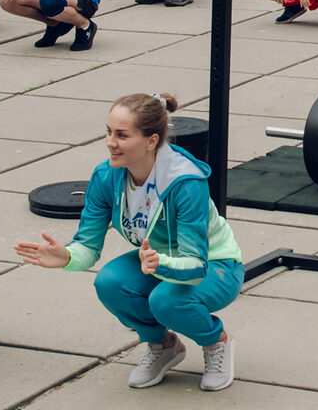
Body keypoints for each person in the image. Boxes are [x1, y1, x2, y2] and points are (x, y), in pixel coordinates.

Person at [15, 90, 240, 391]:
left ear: (151, 141)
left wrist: (162, 263)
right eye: (108, 132)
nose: (110, 143)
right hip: (156, 260)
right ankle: (164, 346)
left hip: (215, 264)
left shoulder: (185, 183)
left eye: (122, 135)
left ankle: (216, 342)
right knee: (110, 282)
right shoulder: (107, 176)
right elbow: (88, 244)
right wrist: (67, 257)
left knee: (165, 300)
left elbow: (196, 264)